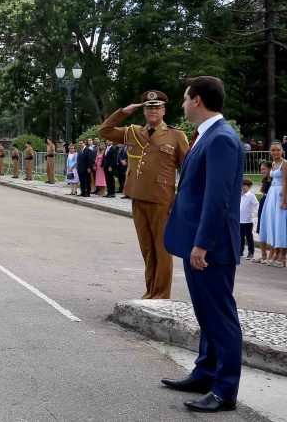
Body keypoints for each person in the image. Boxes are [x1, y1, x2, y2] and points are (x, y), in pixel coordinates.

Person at [161, 76, 243, 413]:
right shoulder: (207, 135)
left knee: (220, 318)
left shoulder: (221, 138)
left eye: (184, 99)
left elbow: (218, 198)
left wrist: (203, 244)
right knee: (206, 315)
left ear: (197, 100)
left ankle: (225, 390)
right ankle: (205, 373)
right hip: (199, 243)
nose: (181, 104)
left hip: (211, 247)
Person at [99, 90, 189, 299]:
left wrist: (181, 197)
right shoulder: (132, 132)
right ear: (143, 111)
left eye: (157, 107)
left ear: (164, 111)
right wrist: (123, 112)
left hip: (162, 200)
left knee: (162, 250)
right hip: (138, 197)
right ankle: (150, 292)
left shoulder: (176, 136)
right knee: (148, 250)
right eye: (149, 108)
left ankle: (161, 295)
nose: (152, 111)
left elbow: (188, 169)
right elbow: (105, 131)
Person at [256, 142, 287, 266]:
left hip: (280, 193)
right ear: (270, 152)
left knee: (281, 223)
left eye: (278, 150)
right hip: (272, 193)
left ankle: (282, 256)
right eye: (273, 150)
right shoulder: (274, 163)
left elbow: (286, 181)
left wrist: (285, 199)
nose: (275, 152)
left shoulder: (285, 164)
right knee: (272, 222)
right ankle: (275, 253)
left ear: (282, 151)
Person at [239, 178, 258, 260]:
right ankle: (240, 251)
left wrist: (260, 212)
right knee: (240, 236)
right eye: (242, 185)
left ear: (249, 186)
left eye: (244, 185)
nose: (242, 187)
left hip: (247, 220)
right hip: (239, 220)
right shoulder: (239, 195)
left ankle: (251, 252)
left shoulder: (251, 196)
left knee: (249, 237)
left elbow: (257, 205)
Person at [257, 161, 272, 237]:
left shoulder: (274, 180)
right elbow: (263, 192)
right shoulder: (264, 180)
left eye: (263, 169)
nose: (262, 171)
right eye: (261, 169)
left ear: (270, 169)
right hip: (264, 201)